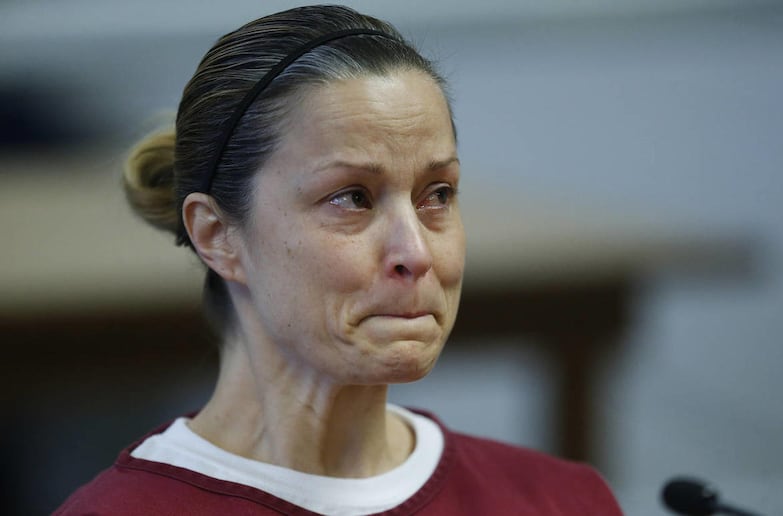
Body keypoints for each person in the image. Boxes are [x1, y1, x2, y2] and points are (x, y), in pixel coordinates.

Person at [55, 5, 623, 515]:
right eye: (351, 198)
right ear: (217, 235)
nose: (416, 253)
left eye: (437, 195)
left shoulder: (563, 500)